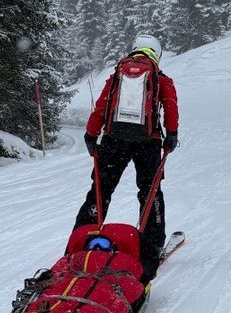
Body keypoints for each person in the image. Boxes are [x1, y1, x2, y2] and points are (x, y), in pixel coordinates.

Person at [74, 34, 178, 280]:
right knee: (150, 192)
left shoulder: (116, 76)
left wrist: (91, 135)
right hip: (148, 142)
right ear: (157, 54)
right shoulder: (161, 78)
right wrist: (171, 135)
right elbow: (170, 105)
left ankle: (82, 238)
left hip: (114, 141)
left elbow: (101, 106)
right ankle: (150, 248)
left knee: (101, 189)